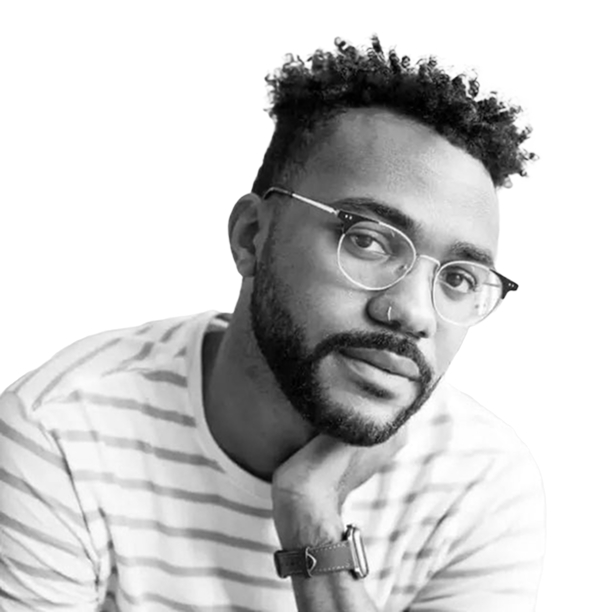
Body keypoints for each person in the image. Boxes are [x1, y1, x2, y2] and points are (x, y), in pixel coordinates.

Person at [0, 36, 545, 612]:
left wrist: (312, 518)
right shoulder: (61, 432)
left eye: (458, 279)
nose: (413, 312)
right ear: (251, 237)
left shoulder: (480, 484)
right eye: (367, 241)